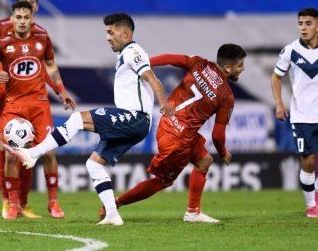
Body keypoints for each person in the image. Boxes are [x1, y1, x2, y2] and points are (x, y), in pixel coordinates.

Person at [4, 12, 174, 225]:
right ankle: (112, 215)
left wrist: (164, 102)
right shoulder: (125, 54)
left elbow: (152, 78)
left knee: (77, 119)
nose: (107, 37)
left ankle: (32, 154)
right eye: (106, 33)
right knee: (94, 165)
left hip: (135, 118)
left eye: (111, 32)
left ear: (125, 33)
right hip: (134, 123)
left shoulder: (133, 51)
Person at [100, 44, 246, 223]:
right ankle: (115, 203)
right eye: (240, 65)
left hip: (168, 121)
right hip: (178, 139)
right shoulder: (226, 96)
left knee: (204, 161)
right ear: (227, 68)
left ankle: (193, 211)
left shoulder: (200, 63)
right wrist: (224, 153)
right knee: (163, 181)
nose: (242, 69)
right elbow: (217, 135)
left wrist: (146, 64)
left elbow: (171, 58)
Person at [0, 0, 73, 219]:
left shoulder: (42, 36)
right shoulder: (0, 33)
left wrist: (60, 90)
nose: (22, 18)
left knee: (41, 150)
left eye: (29, 7)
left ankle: (33, 203)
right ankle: (9, 202)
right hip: (4, 98)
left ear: (34, 11)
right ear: (13, 13)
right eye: (19, 11)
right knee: (8, 149)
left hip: (37, 102)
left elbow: (47, 66)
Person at [271, 7, 318, 218]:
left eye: (308, 23)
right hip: (302, 116)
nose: (303, 28)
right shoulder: (290, 50)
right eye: (300, 23)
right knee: (308, 161)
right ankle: (311, 205)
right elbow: (276, 77)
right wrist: (279, 103)